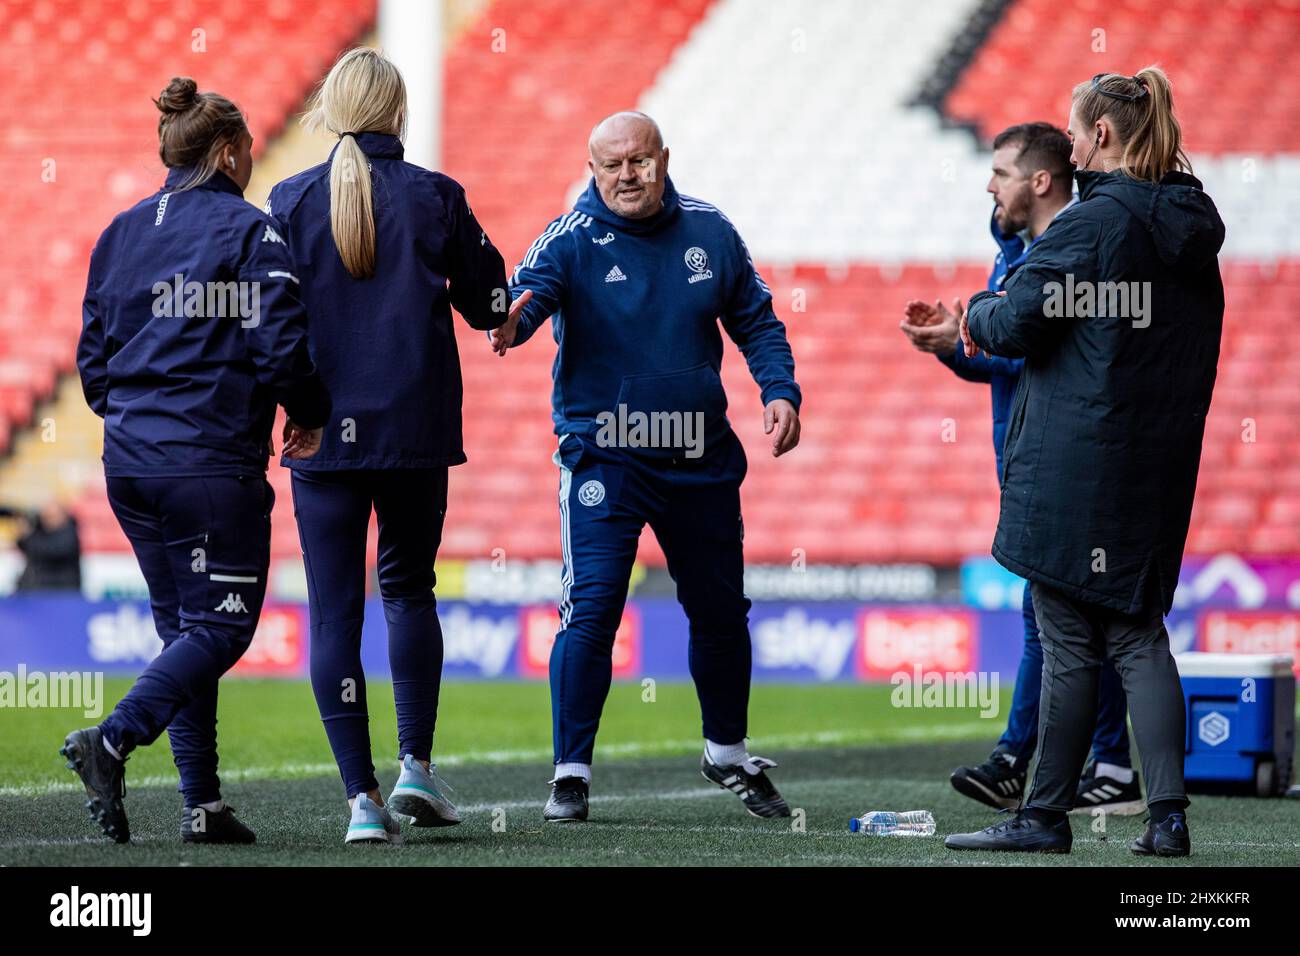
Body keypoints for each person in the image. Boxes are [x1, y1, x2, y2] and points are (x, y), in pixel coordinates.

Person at [946, 67, 1224, 856]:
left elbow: (1012, 324)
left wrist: (975, 311)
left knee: (1066, 634)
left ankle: (1041, 818)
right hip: (1157, 461)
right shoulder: (1191, 225)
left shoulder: (1093, 222)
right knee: (1139, 635)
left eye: (1073, 131)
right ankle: (1167, 819)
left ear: (1101, 134)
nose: (1068, 146)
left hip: (1080, 464)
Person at [496, 111, 803, 822]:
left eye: (640, 161)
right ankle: (570, 773)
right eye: (613, 165)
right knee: (594, 606)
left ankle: (727, 752)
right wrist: (512, 321)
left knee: (722, 612)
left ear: (663, 158)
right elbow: (530, 292)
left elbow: (756, 320)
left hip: (700, 456)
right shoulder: (569, 238)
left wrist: (780, 390)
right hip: (605, 454)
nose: (628, 175)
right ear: (593, 168)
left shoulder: (710, 231)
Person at [67, 77, 330, 844]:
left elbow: (93, 366)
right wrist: (309, 415)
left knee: (186, 631)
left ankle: (202, 805)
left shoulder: (118, 233)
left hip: (131, 462)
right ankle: (111, 740)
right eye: (247, 149)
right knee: (221, 628)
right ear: (226, 153)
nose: (252, 160)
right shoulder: (250, 232)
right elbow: (280, 347)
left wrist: (139, 419)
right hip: (208, 464)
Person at [266, 49, 520, 845]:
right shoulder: (436, 197)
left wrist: (295, 409)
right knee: (410, 594)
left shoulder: (287, 199)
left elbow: (271, 327)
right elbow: (490, 302)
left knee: (334, 616)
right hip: (413, 432)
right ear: (398, 114)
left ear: (332, 111)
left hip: (322, 440)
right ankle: (416, 765)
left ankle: (361, 802)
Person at [899, 123, 1140, 815]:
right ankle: (1110, 766)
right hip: (1028, 457)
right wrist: (955, 343)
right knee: (1076, 621)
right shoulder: (1016, 252)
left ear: (1040, 180)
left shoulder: (1073, 249)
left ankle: (1024, 759)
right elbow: (1012, 361)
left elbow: (1055, 358)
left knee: (1061, 618)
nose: (989, 185)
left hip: (1067, 462)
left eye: (1001, 172)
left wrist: (975, 331)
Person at [1, 500, 83, 591]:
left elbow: (52, 551)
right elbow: (24, 545)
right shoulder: (39, 531)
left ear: (63, 516)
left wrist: (27, 536)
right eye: (45, 516)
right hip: (34, 590)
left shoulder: (69, 533)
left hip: (60, 590)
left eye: (52, 516)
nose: (48, 519)